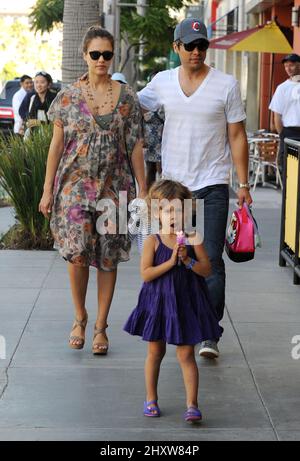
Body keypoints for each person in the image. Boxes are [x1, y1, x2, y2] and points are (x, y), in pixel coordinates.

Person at [138, 18, 252, 359]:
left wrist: (243, 183)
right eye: (189, 45)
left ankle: (208, 333)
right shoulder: (161, 83)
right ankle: (177, 322)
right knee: (171, 259)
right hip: (173, 191)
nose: (197, 51)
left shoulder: (226, 85)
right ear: (176, 48)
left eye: (202, 45)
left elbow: (237, 135)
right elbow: (129, 107)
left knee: (211, 260)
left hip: (213, 184)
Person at [39, 26, 146, 355]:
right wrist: (47, 191)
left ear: (113, 56)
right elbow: (56, 148)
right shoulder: (68, 97)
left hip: (114, 188)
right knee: (78, 250)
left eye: (107, 54)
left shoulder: (126, 97)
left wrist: (143, 189)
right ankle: (79, 316)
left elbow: (136, 146)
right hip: (73, 188)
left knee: (108, 257)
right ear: (84, 56)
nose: (101, 60)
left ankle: (101, 325)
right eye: (95, 54)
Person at [124, 179, 223, 421]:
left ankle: (192, 404)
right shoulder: (152, 241)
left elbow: (207, 270)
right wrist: (170, 262)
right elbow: (146, 274)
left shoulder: (193, 238)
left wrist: (188, 261)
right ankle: (151, 398)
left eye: (178, 210)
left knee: (186, 354)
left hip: (186, 301)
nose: (173, 215)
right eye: (168, 210)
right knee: (155, 351)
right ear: (156, 212)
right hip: (158, 302)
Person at [269, 53, 300, 173]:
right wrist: (282, 134)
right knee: (288, 170)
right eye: (286, 66)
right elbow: (277, 114)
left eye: (291, 65)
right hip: (289, 132)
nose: (288, 68)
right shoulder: (282, 88)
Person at [19, 71, 57, 136]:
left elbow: (57, 119)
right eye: (36, 82)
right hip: (32, 134)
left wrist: (39, 122)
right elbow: (22, 111)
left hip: (50, 134)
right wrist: (27, 121)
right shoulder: (31, 96)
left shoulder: (54, 98)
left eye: (42, 82)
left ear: (49, 84)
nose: (38, 85)